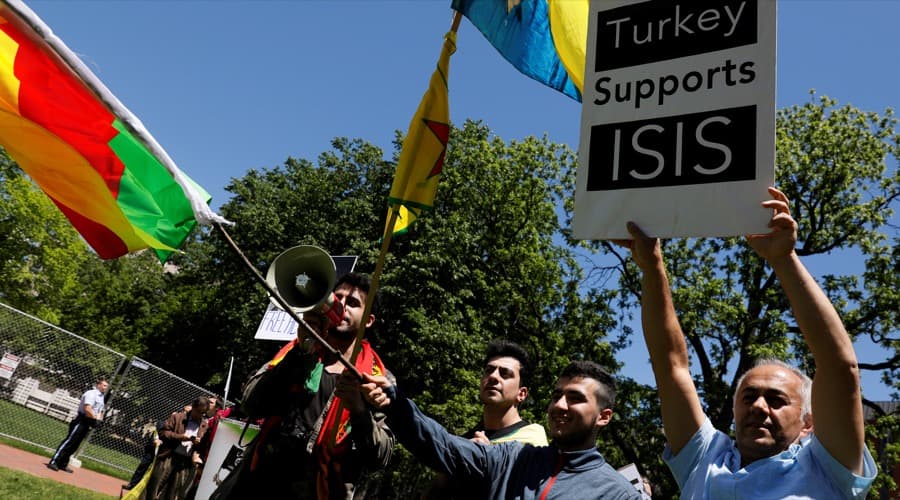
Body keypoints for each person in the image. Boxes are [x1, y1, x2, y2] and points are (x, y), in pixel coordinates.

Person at [619, 187, 877, 498]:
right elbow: (671, 365)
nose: (758, 406)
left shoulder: (827, 468)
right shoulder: (705, 459)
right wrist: (651, 266)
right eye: (748, 397)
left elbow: (839, 366)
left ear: (808, 422)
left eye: (776, 400)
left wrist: (784, 259)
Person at [211, 272, 394, 499]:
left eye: (353, 303)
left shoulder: (376, 378)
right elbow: (250, 404)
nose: (342, 305)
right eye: (338, 297)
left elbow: (380, 456)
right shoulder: (294, 350)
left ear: (368, 320)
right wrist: (299, 352)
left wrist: (358, 409)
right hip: (255, 483)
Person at [357, 360, 642, 499]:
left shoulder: (616, 493)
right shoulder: (513, 458)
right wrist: (396, 403)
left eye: (576, 398)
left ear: (604, 417)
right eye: (557, 395)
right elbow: (444, 446)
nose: (560, 405)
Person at [423, 339, 548, 498]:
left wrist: (488, 459)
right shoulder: (465, 440)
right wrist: (448, 468)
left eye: (504, 373)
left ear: (521, 393)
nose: (493, 377)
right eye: (489, 370)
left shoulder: (532, 438)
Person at [146, 396, 210, 500]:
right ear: (193, 407)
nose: (200, 415)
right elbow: (163, 433)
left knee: (172, 492)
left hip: (185, 463)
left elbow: (203, 446)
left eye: (203, 413)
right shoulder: (178, 417)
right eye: (198, 411)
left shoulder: (204, 426)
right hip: (169, 457)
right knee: (154, 487)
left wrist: (197, 446)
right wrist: (181, 437)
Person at [47, 377, 109, 472]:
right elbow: (87, 408)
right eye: (104, 385)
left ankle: (62, 463)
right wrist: (94, 419)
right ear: (99, 385)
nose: (106, 387)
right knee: (70, 441)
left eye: (107, 386)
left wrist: (98, 421)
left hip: (89, 421)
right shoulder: (91, 393)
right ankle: (54, 462)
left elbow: (100, 411)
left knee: (75, 445)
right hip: (81, 420)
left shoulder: (101, 397)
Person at [121, 418, 164, 491]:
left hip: (162, 452)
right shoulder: (161, 423)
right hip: (151, 450)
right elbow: (154, 436)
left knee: (156, 472)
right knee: (142, 465)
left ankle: (150, 489)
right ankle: (132, 484)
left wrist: (161, 442)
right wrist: (155, 442)